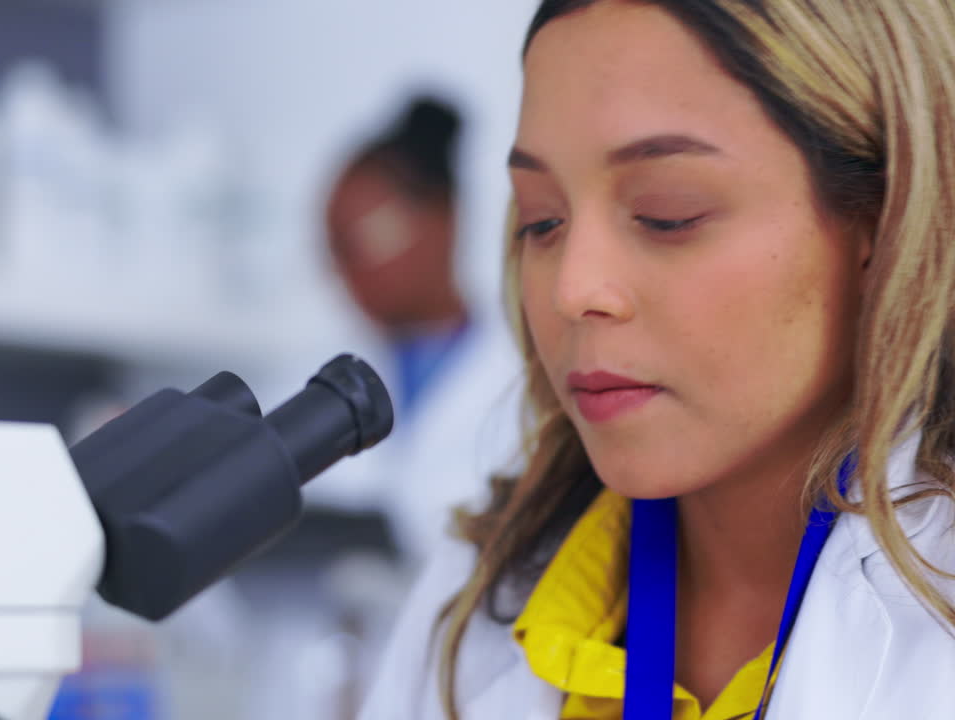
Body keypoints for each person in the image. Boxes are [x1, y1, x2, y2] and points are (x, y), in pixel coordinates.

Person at [359, 2, 955, 719]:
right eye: (542, 221)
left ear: (885, 218)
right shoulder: (476, 602)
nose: (573, 290)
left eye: (667, 213)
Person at [324, 96, 524, 563]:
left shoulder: (526, 379)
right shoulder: (314, 378)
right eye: (334, 246)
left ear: (443, 220)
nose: (343, 269)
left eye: (360, 241)